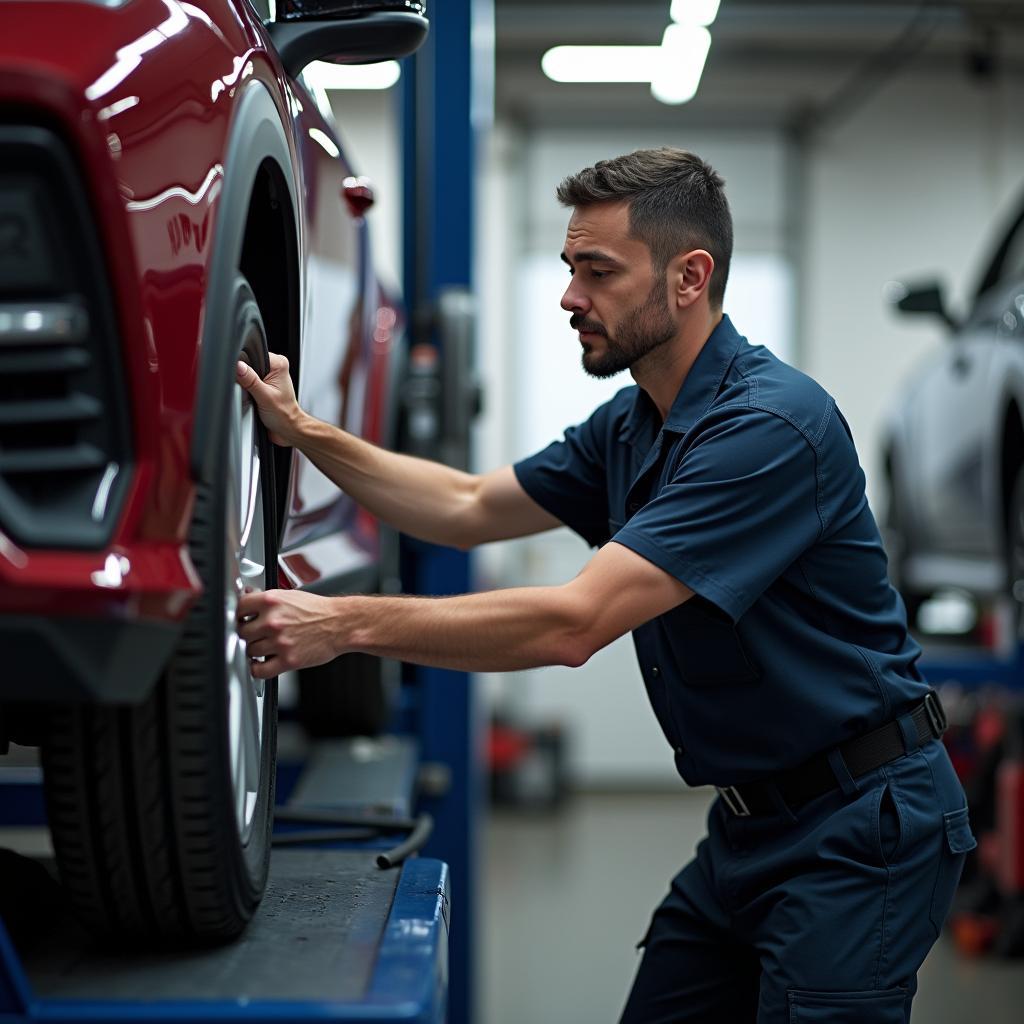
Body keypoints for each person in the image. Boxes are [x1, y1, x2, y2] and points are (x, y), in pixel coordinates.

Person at [235, 147, 974, 1023]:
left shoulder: (769, 428)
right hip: (750, 828)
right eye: (567, 268)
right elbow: (468, 504)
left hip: (859, 830)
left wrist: (343, 625)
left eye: (599, 272)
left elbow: (572, 623)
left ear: (689, 276)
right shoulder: (634, 423)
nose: (569, 296)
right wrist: (304, 430)